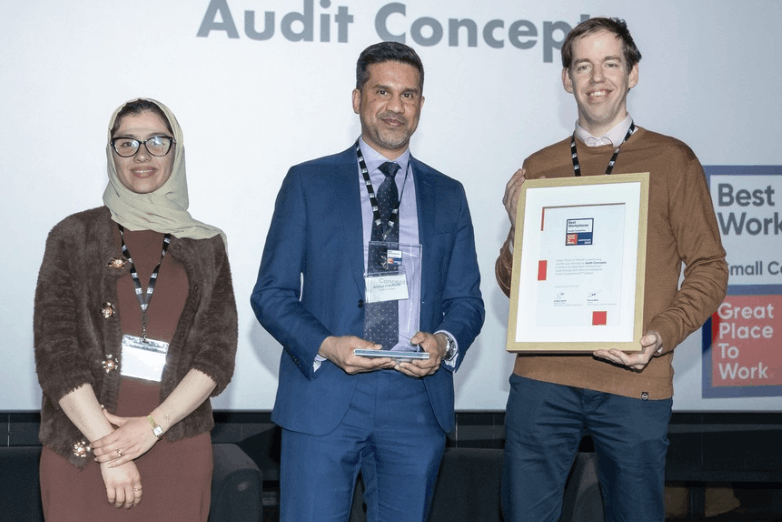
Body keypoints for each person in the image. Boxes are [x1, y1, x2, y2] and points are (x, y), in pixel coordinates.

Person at [496, 17, 728, 522]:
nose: (596, 77)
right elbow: (513, 283)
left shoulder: (673, 159)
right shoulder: (538, 166)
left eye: (610, 63)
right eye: (583, 65)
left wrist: (658, 335)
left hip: (633, 380)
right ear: (566, 79)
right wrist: (518, 232)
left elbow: (710, 267)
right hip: (543, 380)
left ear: (633, 73)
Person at [251, 42, 484, 521]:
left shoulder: (449, 193)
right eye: (382, 91)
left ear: (421, 105)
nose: (396, 106)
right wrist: (328, 344)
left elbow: (467, 301)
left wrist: (443, 341)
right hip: (326, 394)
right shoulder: (307, 182)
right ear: (357, 99)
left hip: (415, 403)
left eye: (409, 95)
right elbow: (271, 294)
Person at [34, 98, 237, 521]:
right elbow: (56, 354)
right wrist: (109, 450)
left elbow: (217, 355)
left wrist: (151, 427)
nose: (142, 155)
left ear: (175, 151)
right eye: (126, 143)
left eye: (157, 142)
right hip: (82, 451)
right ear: (112, 154)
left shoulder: (207, 245)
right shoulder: (72, 236)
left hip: (176, 448)